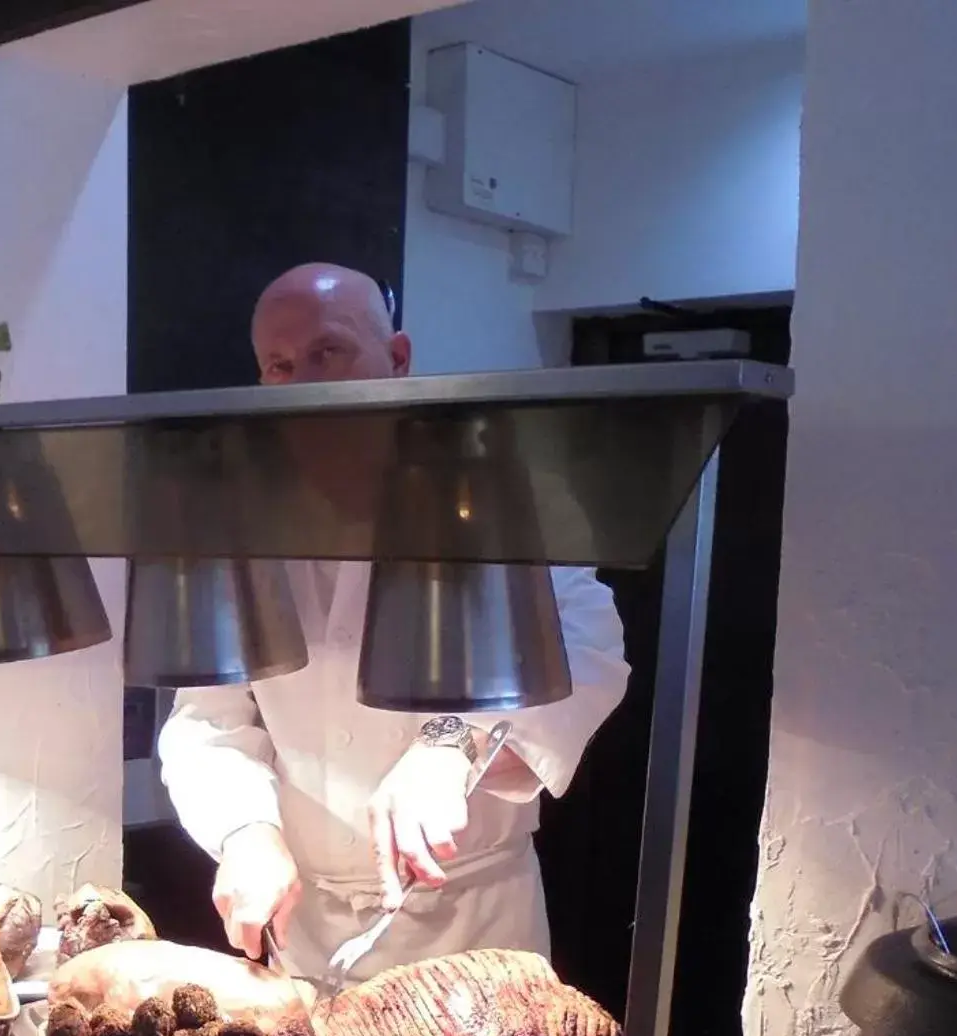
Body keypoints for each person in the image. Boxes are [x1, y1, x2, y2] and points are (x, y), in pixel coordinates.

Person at [156, 262, 631, 982]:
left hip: (472, 930)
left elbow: (589, 650)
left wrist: (454, 742)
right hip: (305, 931)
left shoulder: (503, 492)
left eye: (328, 352)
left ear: (398, 358)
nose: (305, 384)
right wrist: (244, 831)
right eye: (279, 367)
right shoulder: (239, 522)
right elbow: (207, 719)